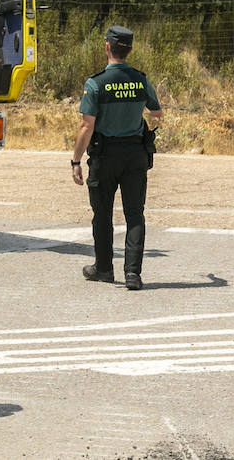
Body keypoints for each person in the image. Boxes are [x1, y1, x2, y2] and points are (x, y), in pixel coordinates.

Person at [71, 25, 163, 291]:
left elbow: (86, 125)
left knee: (102, 214)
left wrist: (76, 161)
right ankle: (133, 274)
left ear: (107, 47)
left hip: (105, 155)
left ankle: (103, 269)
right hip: (135, 154)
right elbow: (156, 112)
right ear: (130, 50)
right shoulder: (140, 79)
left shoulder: (96, 82)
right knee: (135, 214)